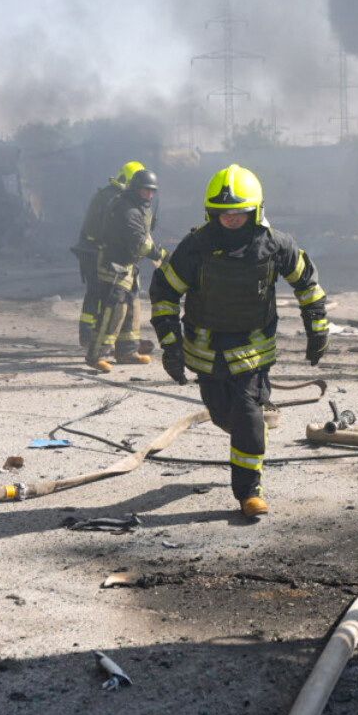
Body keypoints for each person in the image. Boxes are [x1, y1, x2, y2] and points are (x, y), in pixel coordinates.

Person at [148, 164, 328, 517]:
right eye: (224, 213)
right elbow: (165, 292)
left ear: (255, 211)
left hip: (252, 350)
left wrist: (317, 328)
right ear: (211, 213)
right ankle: (254, 425)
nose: (231, 219)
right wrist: (170, 345)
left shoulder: (275, 245)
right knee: (223, 415)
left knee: (246, 415)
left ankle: (249, 491)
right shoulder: (196, 247)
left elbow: (307, 284)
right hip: (207, 352)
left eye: (239, 213)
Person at [86, 167, 166, 371]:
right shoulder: (126, 209)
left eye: (152, 191)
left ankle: (127, 352)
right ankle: (96, 355)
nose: (149, 195)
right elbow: (140, 243)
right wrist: (162, 255)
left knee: (132, 307)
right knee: (113, 309)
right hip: (114, 265)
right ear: (136, 189)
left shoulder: (138, 207)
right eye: (146, 190)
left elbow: (145, 235)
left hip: (128, 266)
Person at [73, 161, 144, 349]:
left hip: (91, 249)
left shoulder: (107, 194)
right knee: (102, 294)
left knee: (97, 293)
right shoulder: (116, 199)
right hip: (97, 251)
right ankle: (92, 336)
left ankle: (97, 336)